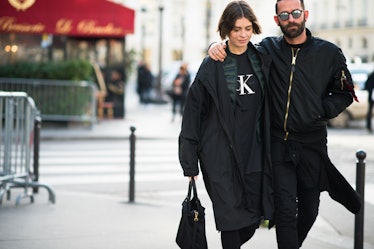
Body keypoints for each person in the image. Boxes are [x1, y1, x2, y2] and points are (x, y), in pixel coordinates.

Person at [208, 0, 361, 248]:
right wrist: (215, 45)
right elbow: (239, 49)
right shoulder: (267, 48)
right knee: (286, 211)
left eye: (296, 13)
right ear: (277, 20)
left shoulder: (329, 53)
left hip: (312, 143)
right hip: (278, 144)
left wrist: (321, 110)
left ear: (305, 15)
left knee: (310, 210)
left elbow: (344, 93)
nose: (291, 18)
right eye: (285, 15)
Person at [178, 1, 273, 248]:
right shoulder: (212, 65)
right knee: (230, 219)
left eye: (247, 28)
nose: (242, 34)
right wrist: (189, 163)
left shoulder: (262, 58)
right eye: (236, 29)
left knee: (252, 218)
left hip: (253, 152)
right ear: (226, 30)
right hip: (218, 156)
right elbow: (193, 114)